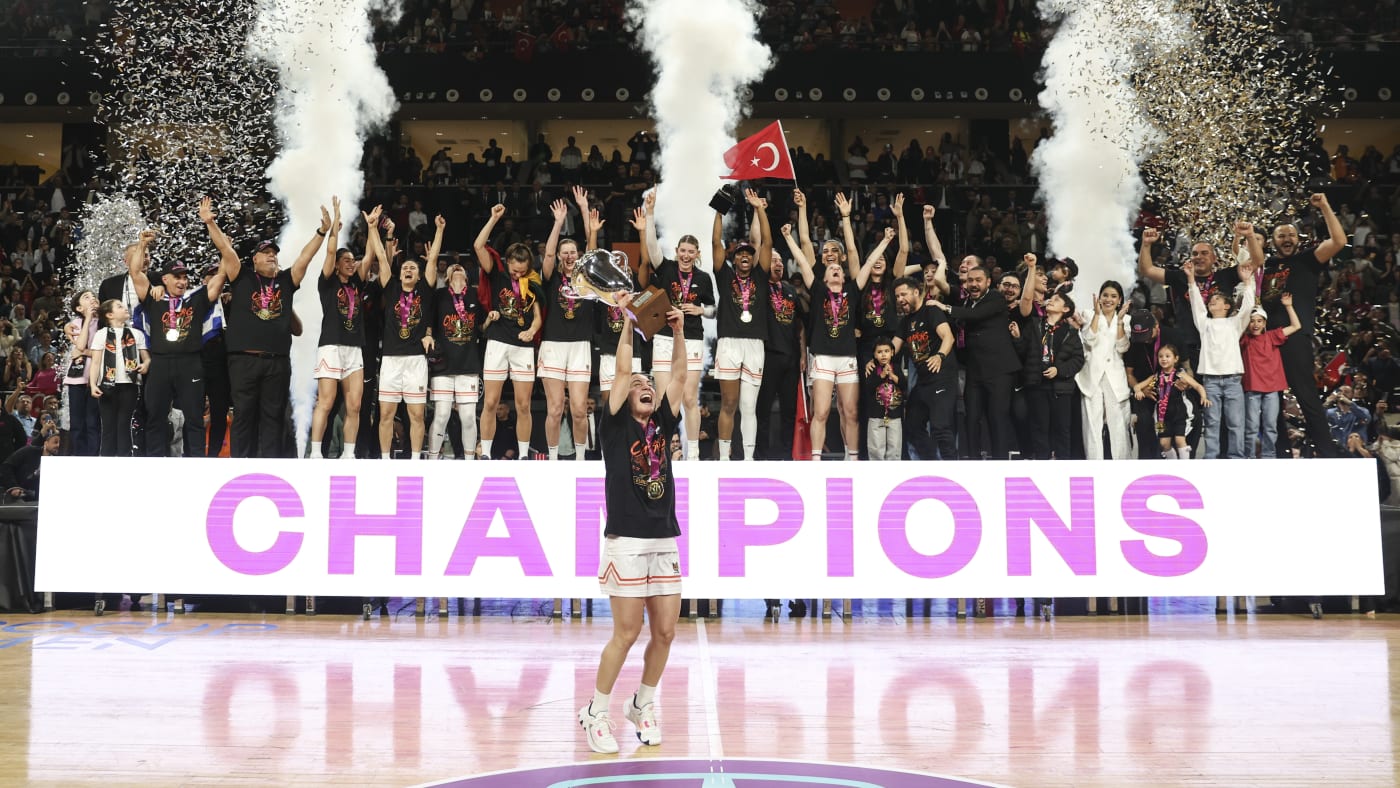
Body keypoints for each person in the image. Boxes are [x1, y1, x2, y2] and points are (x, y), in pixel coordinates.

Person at [578, 294, 686, 755]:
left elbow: (678, 375)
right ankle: (596, 711)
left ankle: (642, 703)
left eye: (648, 384)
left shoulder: (663, 421)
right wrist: (626, 324)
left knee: (665, 632)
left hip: (664, 538)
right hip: (626, 540)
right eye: (638, 384)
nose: (645, 385)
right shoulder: (615, 425)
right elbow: (622, 372)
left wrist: (678, 331)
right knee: (626, 632)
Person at [218, 199, 328, 458]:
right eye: (266, 253)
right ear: (254, 259)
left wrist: (321, 232)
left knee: (273, 416)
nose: (272, 256)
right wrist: (210, 223)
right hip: (244, 359)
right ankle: (239, 463)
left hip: (277, 361)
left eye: (274, 253)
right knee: (243, 414)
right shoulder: (242, 276)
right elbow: (225, 249)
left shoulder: (286, 280)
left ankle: (271, 465)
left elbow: (305, 257)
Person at [131, 202, 231, 457]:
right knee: (155, 416)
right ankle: (156, 461)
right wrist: (142, 245)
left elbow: (221, 275)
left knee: (195, 417)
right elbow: (135, 272)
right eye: (177, 277)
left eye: (185, 277)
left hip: (190, 363)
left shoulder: (196, 298)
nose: (182, 281)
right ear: (164, 279)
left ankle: (195, 462)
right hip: (160, 363)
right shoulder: (154, 297)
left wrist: (221, 242)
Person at [1260, 194, 1348, 457]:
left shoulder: (1308, 260)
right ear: (1273, 241)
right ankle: (1280, 455)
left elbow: (1339, 241)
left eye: (1291, 235)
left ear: (1298, 239)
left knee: (1306, 396)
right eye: (1281, 236)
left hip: (1296, 338)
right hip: (1266, 341)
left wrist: (1324, 206)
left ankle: (1327, 454)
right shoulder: (1265, 266)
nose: (1287, 239)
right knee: (1270, 400)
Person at [639, 197, 713, 461]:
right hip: (664, 337)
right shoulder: (667, 268)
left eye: (691, 251)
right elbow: (651, 248)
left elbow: (714, 309)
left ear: (697, 254)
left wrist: (700, 310)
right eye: (682, 250)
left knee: (689, 398)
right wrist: (650, 214)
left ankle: (693, 454)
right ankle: (662, 452)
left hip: (691, 339)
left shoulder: (703, 278)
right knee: (662, 399)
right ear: (677, 251)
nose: (686, 255)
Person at [782, 220, 860, 460]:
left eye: (838, 267)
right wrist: (789, 238)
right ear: (823, 278)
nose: (834, 268)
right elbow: (803, 259)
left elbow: (859, 258)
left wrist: (886, 240)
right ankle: (815, 460)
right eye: (830, 268)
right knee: (821, 411)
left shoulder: (852, 290)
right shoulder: (817, 290)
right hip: (822, 356)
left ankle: (852, 458)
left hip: (847, 357)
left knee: (850, 412)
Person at [309, 204, 379, 459]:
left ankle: (348, 454)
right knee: (326, 402)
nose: (352, 263)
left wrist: (372, 228)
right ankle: (315, 453)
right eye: (346, 261)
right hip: (331, 346)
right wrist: (335, 227)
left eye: (352, 260)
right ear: (337, 265)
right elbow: (330, 251)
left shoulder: (357, 282)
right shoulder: (327, 282)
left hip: (354, 348)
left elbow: (369, 256)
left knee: (355, 404)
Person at [475, 205, 543, 460]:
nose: (517, 275)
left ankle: (524, 456)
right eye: (515, 270)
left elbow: (538, 317)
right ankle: (486, 454)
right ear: (507, 262)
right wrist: (493, 219)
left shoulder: (532, 282)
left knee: (523, 405)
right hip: (498, 342)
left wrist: (532, 330)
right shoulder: (498, 274)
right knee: (491, 402)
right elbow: (478, 246)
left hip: (523, 346)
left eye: (522, 271)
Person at [708, 188, 771, 461]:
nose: (745, 256)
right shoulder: (724, 276)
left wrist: (760, 210)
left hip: (755, 343)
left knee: (748, 406)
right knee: (729, 403)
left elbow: (767, 242)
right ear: (734, 258)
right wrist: (719, 213)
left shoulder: (760, 276)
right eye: (740, 253)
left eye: (749, 253)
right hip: (729, 343)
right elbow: (715, 243)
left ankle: (748, 459)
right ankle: (724, 459)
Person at [539, 186, 599, 460]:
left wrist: (584, 209)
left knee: (578, 410)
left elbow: (593, 251)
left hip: (579, 345)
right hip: (553, 344)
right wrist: (558, 223)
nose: (569, 255)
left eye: (573, 251)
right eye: (565, 252)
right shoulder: (551, 276)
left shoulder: (586, 277)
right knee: (554, 409)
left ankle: (580, 460)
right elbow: (549, 255)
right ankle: (553, 459)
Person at [378, 213, 443, 459]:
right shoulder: (392, 288)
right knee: (386, 414)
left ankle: (416, 460)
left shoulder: (425, 290)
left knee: (417, 415)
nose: (407, 269)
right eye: (405, 267)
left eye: (412, 268)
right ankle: (385, 459)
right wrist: (374, 229)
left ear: (419, 276)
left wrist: (439, 230)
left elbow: (433, 259)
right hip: (391, 359)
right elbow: (382, 260)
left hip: (416, 359)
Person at [1185, 248, 1256, 459]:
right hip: (1211, 381)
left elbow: (1248, 306)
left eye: (1216, 299)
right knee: (1212, 422)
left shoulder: (1235, 323)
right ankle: (1211, 457)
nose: (1211, 301)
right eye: (1211, 300)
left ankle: (1236, 457)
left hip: (1233, 380)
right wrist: (1191, 280)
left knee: (1235, 423)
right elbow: (1197, 305)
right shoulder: (1205, 324)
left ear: (1227, 306)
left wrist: (1248, 282)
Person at [427, 256, 487, 459]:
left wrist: (491, 318)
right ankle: (433, 459)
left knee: (468, 417)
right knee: (442, 415)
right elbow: (430, 322)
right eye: (453, 267)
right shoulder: (439, 295)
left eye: (460, 267)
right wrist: (428, 335)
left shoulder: (475, 295)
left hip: (468, 364)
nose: (457, 267)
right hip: (443, 364)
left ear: (467, 277)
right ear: (446, 277)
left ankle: (469, 461)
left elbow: (482, 326)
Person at [1014, 292, 1084, 460]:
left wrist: (1058, 370)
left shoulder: (1071, 332)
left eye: (1056, 300)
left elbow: (1078, 359)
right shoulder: (1034, 324)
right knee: (1039, 429)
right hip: (1037, 385)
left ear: (1065, 309)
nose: (1051, 301)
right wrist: (1017, 338)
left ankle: (1063, 466)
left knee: (1062, 430)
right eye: (1050, 299)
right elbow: (1023, 353)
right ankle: (1042, 465)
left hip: (1061, 389)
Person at [1076, 281, 1133, 460]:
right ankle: (1095, 467)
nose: (1109, 299)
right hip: (1091, 376)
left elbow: (1123, 347)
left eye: (1113, 296)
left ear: (1120, 300)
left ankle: (1122, 466)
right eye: (1105, 295)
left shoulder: (1126, 319)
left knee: (1119, 426)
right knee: (1092, 427)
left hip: (1115, 377)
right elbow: (1089, 339)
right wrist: (1096, 315)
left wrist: (1120, 322)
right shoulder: (1089, 314)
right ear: (1099, 297)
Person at [1241, 293, 1301, 458]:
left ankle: (1269, 456)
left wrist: (1288, 306)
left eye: (1259, 321)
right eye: (1252, 321)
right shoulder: (1244, 339)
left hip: (1272, 389)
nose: (1255, 324)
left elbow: (1296, 326)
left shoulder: (1272, 336)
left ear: (1265, 323)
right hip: (1252, 388)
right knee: (1251, 427)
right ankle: (1249, 457)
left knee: (1270, 426)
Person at [87, 298, 149, 456]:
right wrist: (93, 384)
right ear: (110, 315)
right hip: (107, 384)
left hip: (130, 384)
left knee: (124, 423)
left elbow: (146, 358)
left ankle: (124, 457)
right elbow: (96, 362)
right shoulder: (101, 334)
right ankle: (107, 458)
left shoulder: (136, 334)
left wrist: (146, 364)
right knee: (108, 425)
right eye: (119, 306)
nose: (124, 308)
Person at [1134, 343, 1210, 459]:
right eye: (1160, 356)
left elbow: (1198, 386)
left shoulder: (1180, 375)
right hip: (1161, 417)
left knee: (1180, 440)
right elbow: (1137, 386)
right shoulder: (1156, 377)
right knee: (1163, 443)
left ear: (1176, 359)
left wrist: (1204, 397)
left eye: (1167, 356)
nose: (1164, 359)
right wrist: (1139, 391)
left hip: (1180, 414)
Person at [62, 289, 100, 456]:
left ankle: (93, 456)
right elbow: (80, 344)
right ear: (79, 308)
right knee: (77, 423)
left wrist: (85, 352)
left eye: (94, 296)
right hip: (76, 379)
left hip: (96, 378)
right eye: (86, 297)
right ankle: (79, 457)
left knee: (93, 421)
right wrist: (88, 319)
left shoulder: (104, 322)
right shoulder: (77, 323)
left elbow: (92, 351)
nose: (92, 299)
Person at [862, 336, 905, 460]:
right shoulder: (871, 369)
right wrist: (882, 375)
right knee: (876, 448)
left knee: (894, 448)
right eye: (879, 352)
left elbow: (903, 384)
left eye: (886, 351)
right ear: (875, 355)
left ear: (892, 352)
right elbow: (868, 387)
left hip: (894, 415)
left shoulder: (896, 367)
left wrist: (892, 375)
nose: (883, 355)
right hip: (876, 416)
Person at [0, 425, 60, 502]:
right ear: (46, 443)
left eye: (61, 443)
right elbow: (7, 466)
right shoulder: (29, 451)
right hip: (18, 494)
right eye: (55, 442)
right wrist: (13, 486)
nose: (58, 445)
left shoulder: (59, 462)